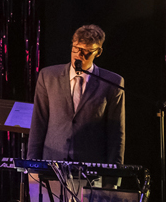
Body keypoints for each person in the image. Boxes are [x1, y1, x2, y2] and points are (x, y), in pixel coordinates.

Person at [28, 24, 125, 165]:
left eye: (86, 51)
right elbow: (38, 123)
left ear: (98, 52)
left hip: (91, 166)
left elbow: (116, 133)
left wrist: (114, 173)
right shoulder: (48, 76)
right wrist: (32, 165)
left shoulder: (112, 82)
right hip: (52, 163)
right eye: (76, 48)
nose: (79, 55)